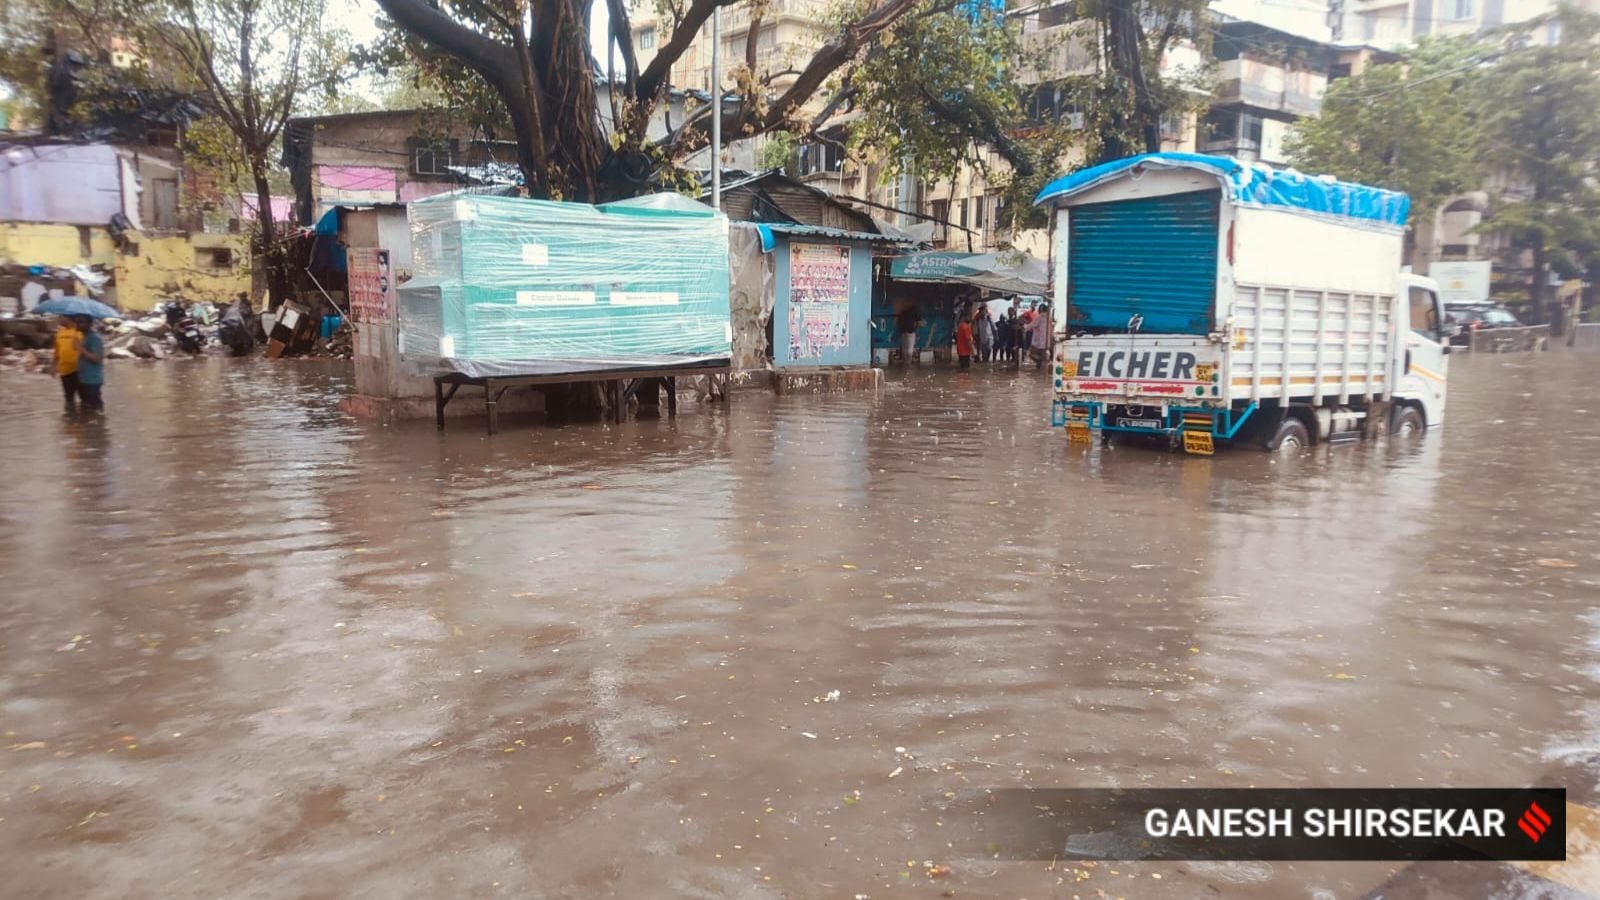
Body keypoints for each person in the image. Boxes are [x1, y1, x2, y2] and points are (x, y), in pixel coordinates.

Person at [71, 315, 105, 413]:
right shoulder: (84, 337)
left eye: (81, 322)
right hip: (84, 378)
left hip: (93, 380)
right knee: (87, 409)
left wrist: (80, 348)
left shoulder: (95, 338)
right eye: (76, 321)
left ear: (89, 324)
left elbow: (97, 359)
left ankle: (99, 426)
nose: (77, 324)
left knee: (96, 410)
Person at [53, 315, 82, 413]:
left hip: (79, 370)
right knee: (68, 398)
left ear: (69, 318)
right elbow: (57, 351)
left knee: (84, 397)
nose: (59, 319)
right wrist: (53, 366)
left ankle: (86, 420)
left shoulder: (79, 331)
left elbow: (86, 349)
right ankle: (70, 420)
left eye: (62, 317)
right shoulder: (60, 333)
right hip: (64, 370)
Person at [1025, 302, 1053, 370]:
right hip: (1047, 341)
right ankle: (1042, 365)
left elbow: (1031, 325)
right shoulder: (1050, 318)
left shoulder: (1039, 317)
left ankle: (1039, 362)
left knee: (1031, 354)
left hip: (1038, 341)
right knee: (1044, 355)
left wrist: (1024, 328)